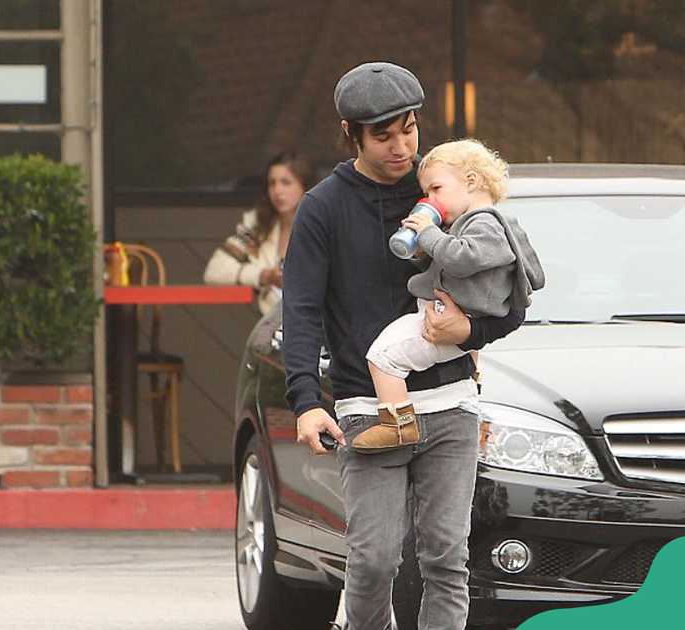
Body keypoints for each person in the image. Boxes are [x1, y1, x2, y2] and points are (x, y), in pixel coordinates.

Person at [282, 62, 524, 630]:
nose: (401, 147)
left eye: (409, 130)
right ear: (351, 134)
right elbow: (301, 310)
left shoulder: (444, 189)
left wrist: (470, 334)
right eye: (383, 136)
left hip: (450, 405)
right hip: (368, 409)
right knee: (372, 561)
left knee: (446, 559)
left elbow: (509, 298)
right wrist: (305, 400)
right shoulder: (323, 207)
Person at [361, 139, 544, 449]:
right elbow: (448, 262)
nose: (429, 199)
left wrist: (428, 233)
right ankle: (470, 393)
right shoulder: (469, 224)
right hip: (452, 319)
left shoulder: (486, 224)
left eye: (436, 189)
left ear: (470, 181)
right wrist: (421, 249)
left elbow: (462, 259)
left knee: (382, 356)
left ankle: (397, 424)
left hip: (447, 320)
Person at [204, 151, 313, 313]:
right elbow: (215, 271)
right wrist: (263, 276)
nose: (277, 190)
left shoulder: (324, 225)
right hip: (271, 321)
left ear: (305, 186)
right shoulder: (257, 227)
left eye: (286, 182)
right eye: (272, 183)